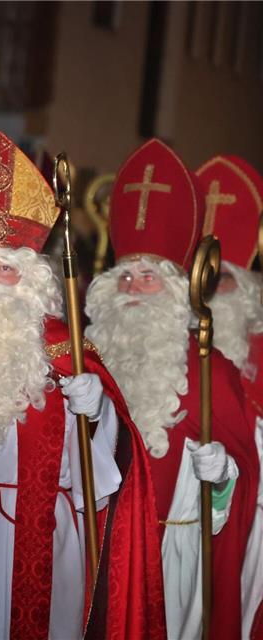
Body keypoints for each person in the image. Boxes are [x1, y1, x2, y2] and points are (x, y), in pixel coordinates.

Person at [0, 131, 164, 639]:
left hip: (45, 536)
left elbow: (110, 470)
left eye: (6, 268)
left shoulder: (66, 351)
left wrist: (99, 412)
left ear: (31, 279)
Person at [85, 139, 258, 640]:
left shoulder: (211, 370)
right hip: (91, 549)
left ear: (177, 291)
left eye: (149, 278)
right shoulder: (87, 360)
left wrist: (222, 477)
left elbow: (244, 471)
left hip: (171, 559)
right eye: (125, 277)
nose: (133, 289)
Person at [195, 154, 263, 638]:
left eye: (224, 279)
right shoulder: (175, 353)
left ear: (249, 291)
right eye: (205, 281)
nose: (213, 293)